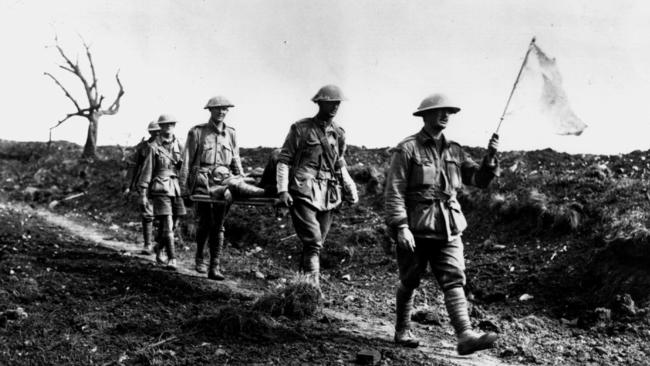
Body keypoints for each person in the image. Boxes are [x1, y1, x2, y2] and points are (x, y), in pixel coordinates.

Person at [384, 93, 500, 355]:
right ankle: (402, 329)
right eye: (439, 111)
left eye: (449, 111)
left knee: (454, 279)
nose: (445, 115)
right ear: (425, 115)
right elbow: (394, 191)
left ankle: (465, 336)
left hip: (449, 227)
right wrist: (401, 226)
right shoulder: (407, 149)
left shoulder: (455, 150)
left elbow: (478, 180)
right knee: (410, 279)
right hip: (416, 228)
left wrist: (490, 158)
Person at [276, 85, 358, 288]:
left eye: (337, 103)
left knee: (316, 243)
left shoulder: (338, 133)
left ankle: (301, 286)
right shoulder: (301, 129)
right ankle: (313, 290)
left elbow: (339, 163)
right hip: (303, 189)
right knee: (313, 241)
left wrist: (350, 188)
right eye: (330, 102)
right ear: (319, 103)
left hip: (329, 193)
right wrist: (283, 190)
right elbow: (284, 160)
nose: (335, 106)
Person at [179, 96, 243, 280]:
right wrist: (184, 187)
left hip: (224, 183)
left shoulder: (230, 133)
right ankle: (200, 256)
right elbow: (187, 160)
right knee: (206, 221)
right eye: (218, 109)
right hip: (203, 182)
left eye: (225, 109)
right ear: (210, 110)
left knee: (219, 224)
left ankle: (214, 266)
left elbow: (236, 159)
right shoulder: (197, 132)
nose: (222, 112)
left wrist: (240, 180)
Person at [138, 114, 186, 269]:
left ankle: (159, 247)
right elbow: (147, 170)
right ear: (161, 127)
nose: (169, 127)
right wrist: (143, 194)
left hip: (176, 187)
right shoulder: (153, 147)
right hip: (160, 187)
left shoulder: (179, 144)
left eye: (171, 124)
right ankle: (172, 258)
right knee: (167, 222)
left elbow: (185, 167)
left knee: (175, 223)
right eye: (165, 125)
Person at [124, 121, 160, 254]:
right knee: (147, 214)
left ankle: (160, 244)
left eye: (158, 130)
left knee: (164, 214)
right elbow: (133, 167)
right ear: (149, 132)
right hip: (146, 184)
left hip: (163, 184)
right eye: (153, 131)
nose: (156, 133)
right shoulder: (143, 148)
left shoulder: (168, 146)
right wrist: (128, 186)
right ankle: (148, 244)